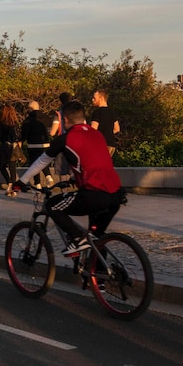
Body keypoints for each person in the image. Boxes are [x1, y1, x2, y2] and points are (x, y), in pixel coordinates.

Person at [14, 100, 125, 256]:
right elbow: (93, 163)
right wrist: (74, 179)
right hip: (116, 195)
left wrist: (21, 181)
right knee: (95, 238)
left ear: (64, 120)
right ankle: (98, 277)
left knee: (52, 206)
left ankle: (76, 238)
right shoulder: (97, 134)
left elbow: (42, 161)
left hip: (94, 195)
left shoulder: (66, 139)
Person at [21, 101, 53, 188]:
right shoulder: (46, 118)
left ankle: (38, 184)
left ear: (31, 109)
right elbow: (50, 130)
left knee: (35, 164)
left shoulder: (28, 120)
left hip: (33, 145)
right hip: (45, 144)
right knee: (43, 161)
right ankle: (49, 177)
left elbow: (24, 133)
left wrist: (21, 141)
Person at [0, 103, 22, 197]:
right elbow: (19, 138)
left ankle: (10, 184)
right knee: (12, 168)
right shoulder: (15, 123)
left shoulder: (2, 124)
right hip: (14, 147)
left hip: (5, 147)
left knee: (2, 166)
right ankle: (13, 188)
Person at [50, 92, 73, 180]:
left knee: (61, 170)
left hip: (62, 143)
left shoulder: (59, 114)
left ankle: (64, 190)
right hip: (75, 143)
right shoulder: (77, 113)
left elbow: (53, 132)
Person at [90, 89, 121, 157]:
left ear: (101, 98)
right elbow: (117, 129)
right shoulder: (112, 112)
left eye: (94, 98)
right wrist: (108, 133)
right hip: (111, 145)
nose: (92, 100)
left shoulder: (97, 113)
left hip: (101, 145)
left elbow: (93, 130)